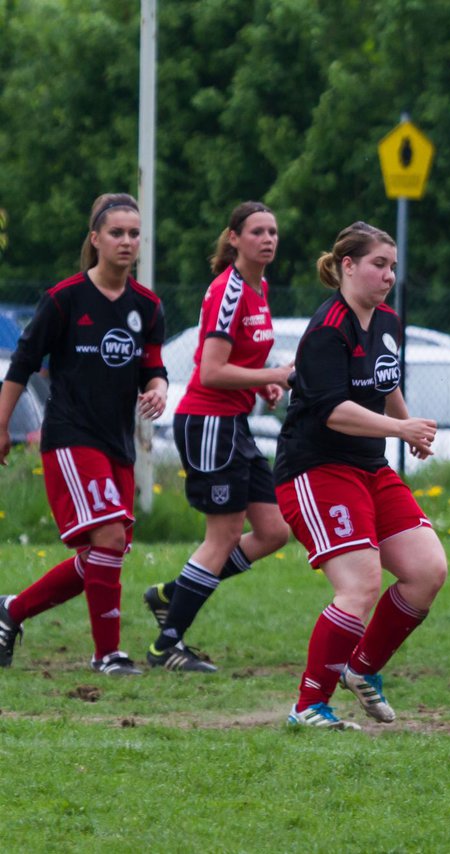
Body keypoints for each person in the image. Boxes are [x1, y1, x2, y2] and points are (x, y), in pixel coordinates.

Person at [274, 221, 446, 729]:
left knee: (426, 571)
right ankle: (308, 706)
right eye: (378, 264)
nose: (388, 275)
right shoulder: (327, 330)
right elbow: (332, 412)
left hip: (368, 467)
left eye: (392, 266)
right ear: (347, 266)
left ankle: (362, 667)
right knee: (360, 585)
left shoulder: (388, 322)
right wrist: (400, 426)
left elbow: (386, 381)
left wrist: (408, 427)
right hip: (316, 468)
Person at [0, 193, 168, 675]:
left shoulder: (148, 307)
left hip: (118, 444)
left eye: (134, 234)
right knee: (110, 540)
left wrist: (157, 389)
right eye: (117, 233)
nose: (126, 242)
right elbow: (22, 364)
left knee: (101, 555)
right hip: (72, 437)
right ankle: (107, 655)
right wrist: (2, 428)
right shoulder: (64, 299)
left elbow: (153, 369)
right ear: (95, 239)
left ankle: (11, 611)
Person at [140, 202, 293, 672]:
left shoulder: (259, 286)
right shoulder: (229, 290)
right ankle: (167, 646)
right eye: (256, 232)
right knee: (223, 535)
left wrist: (262, 381)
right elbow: (209, 371)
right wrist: (275, 373)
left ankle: (172, 594)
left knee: (273, 531)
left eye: (272, 231)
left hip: (233, 426)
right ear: (233, 239)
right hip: (209, 424)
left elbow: (237, 363)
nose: (267, 239)